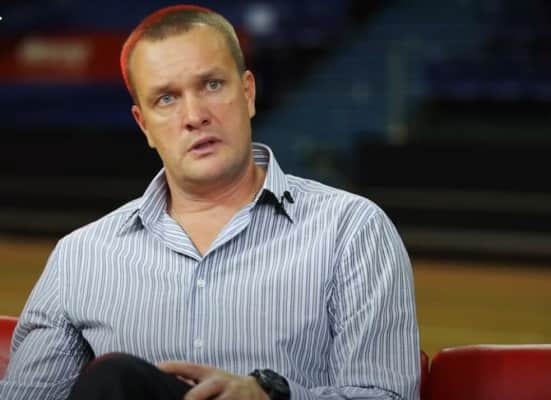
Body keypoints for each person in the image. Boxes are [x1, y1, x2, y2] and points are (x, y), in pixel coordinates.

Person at [0, 4, 420, 400]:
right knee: (116, 378)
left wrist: (270, 393)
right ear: (144, 126)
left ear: (248, 93)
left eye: (212, 85)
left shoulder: (352, 230)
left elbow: (385, 395)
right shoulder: (79, 257)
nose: (194, 115)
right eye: (166, 99)